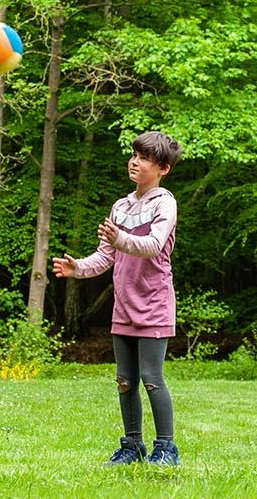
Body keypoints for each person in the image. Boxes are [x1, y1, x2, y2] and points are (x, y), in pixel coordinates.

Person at [52, 131, 184, 466]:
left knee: (152, 380)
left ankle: (166, 449)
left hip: (154, 304)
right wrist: (76, 268)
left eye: (144, 158)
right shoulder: (121, 206)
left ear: (163, 169)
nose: (135, 162)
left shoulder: (164, 202)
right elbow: (104, 256)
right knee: (125, 381)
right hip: (123, 308)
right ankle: (132, 447)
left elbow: (152, 245)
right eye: (134, 155)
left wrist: (120, 236)